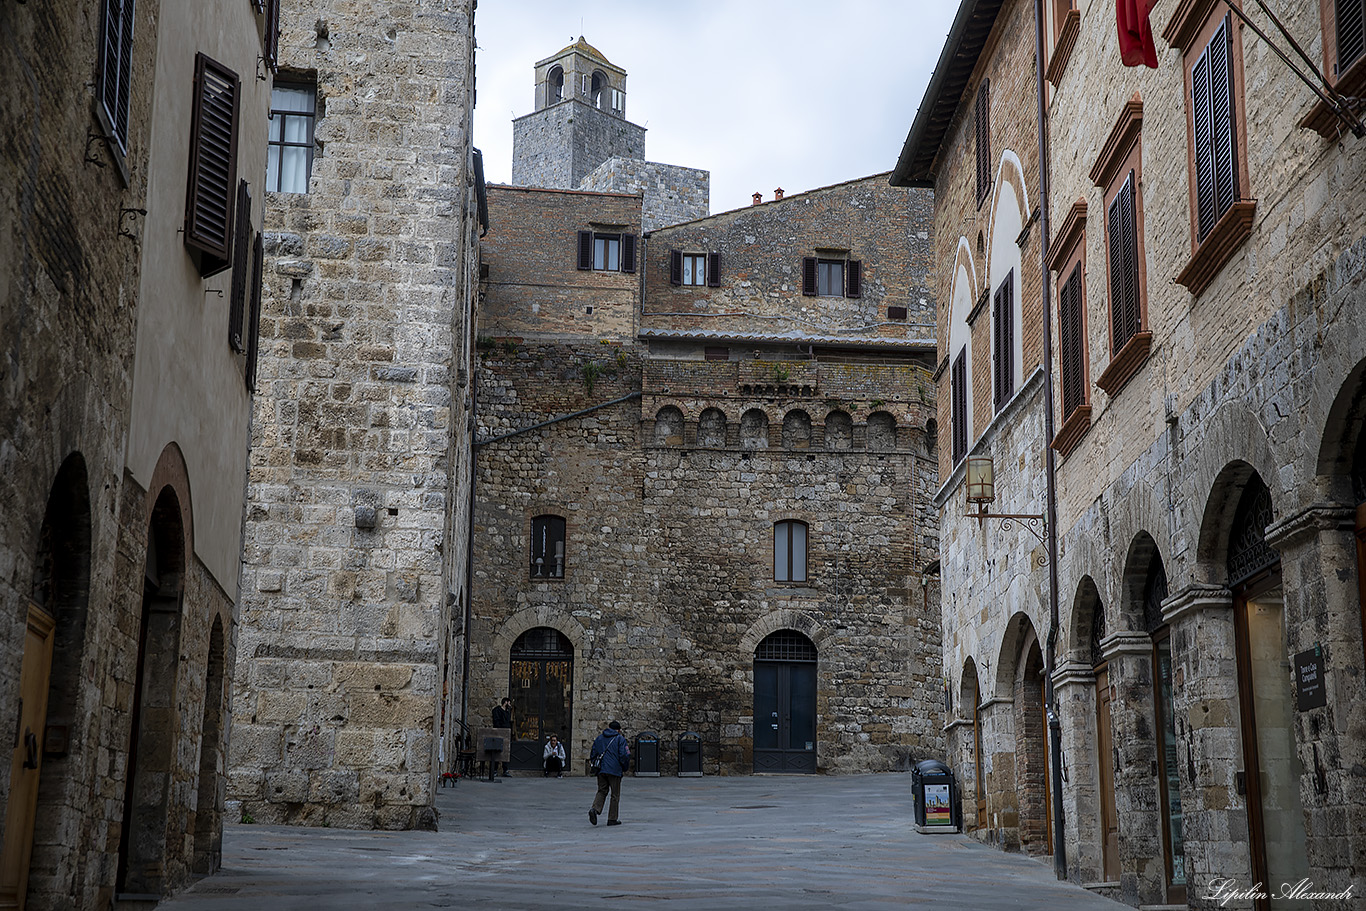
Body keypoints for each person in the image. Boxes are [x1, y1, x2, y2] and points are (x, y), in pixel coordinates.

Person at [588, 720, 631, 827]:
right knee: (615, 795)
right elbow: (624, 755)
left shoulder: (599, 738)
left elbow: (593, 753)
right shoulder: (619, 739)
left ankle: (595, 809)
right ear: (619, 730)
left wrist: (596, 766)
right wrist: (624, 767)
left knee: (602, 790)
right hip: (614, 770)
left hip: (601, 769)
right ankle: (612, 818)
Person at [491, 697, 513, 777]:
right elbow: (497, 722)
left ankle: (505, 769)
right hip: (498, 733)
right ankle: (494, 770)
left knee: (505, 752)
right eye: (509, 703)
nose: (510, 705)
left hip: (506, 734)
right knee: (496, 751)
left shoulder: (507, 712)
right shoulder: (497, 710)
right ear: (506, 702)